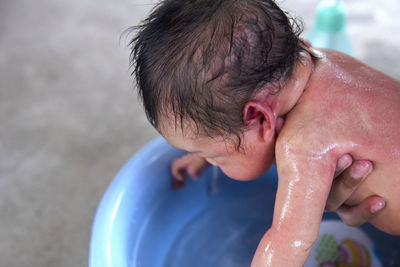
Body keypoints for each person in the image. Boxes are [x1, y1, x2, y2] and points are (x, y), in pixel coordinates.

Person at [128, 0, 398, 265]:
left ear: (258, 117)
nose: (212, 163)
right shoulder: (326, 60)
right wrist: (206, 151)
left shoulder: (304, 144)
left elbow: (287, 242)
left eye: (215, 158)